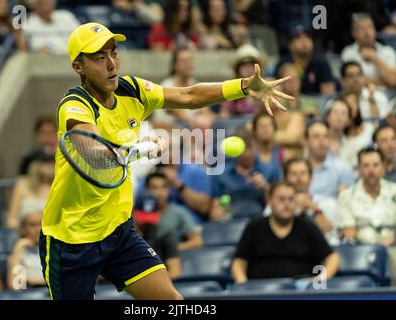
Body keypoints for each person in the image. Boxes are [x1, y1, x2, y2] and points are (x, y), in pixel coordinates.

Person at [39, 22, 294, 300]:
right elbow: (93, 148)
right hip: (71, 241)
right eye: (100, 58)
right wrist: (139, 149)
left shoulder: (132, 90)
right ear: (78, 67)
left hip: (118, 231)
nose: (112, 64)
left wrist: (243, 86)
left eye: (114, 53)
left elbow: (189, 95)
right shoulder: (75, 104)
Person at [231, 182, 339, 283]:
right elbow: (239, 262)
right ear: (269, 200)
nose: (287, 204)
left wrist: (319, 280)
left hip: (301, 292)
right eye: (281, 199)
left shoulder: (307, 227)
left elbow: (332, 258)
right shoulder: (254, 227)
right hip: (261, 291)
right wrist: (243, 285)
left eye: (291, 199)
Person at [210, 130, 275, 221]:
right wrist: (217, 213)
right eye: (242, 148)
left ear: (257, 147)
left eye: (250, 147)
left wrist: (265, 188)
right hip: (230, 222)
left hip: (260, 221)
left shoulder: (270, 170)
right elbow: (214, 209)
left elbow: (279, 203)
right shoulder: (220, 174)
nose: (246, 153)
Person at [338, 147, 396, 246]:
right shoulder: (346, 196)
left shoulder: (394, 191)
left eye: (375, 165)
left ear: (383, 167)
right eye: (366, 165)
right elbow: (348, 232)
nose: (371, 170)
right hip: (360, 251)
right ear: (359, 169)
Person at [145, 172, 203, 250]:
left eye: (164, 187)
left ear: (168, 190)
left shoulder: (179, 213)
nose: (160, 192)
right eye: (154, 188)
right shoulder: (139, 215)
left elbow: (197, 241)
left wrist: (170, 250)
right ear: (146, 190)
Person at [275, 25, 336, 96]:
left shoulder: (321, 63)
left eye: (307, 37)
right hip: (290, 104)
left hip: (316, 104)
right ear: (290, 45)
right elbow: (276, 91)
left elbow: (328, 95)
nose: (304, 41)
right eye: (298, 38)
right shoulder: (283, 63)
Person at [132, 192, 181, 279]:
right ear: (133, 213)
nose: (146, 224)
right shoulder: (124, 235)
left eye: (149, 220)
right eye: (143, 218)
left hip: (157, 282)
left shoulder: (165, 233)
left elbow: (175, 271)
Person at [341, 13, 396, 89]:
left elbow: (393, 81)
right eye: (361, 29)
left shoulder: (388, 51)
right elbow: (350, 83)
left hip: (387, 96)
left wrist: (375, 59)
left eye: (370, 27)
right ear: (354, 33)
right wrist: (383, 81)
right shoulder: (348, 53)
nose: (367, 33)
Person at [305, 121, 356, 199]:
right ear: (306, 141)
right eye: (316, 136)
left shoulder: (343, 168)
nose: (321, 141)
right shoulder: (298, 169)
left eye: (325, 136)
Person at [7, 153, 54, 229]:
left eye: (54, 161)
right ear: (36, 165)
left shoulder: (58, 187)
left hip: (49, 232)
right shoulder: (22, 184)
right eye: (46, 161)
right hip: (24, 232)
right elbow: (12, 220)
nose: (51, 165)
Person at [219, 44, 265, 118]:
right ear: (237, 70)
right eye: (244, 65)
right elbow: (224, 117)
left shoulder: (265, 87)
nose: (248, 69)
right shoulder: (231, 90)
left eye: (252, 65)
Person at [8, 211, 45, 289]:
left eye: (41, 224)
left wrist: (28, 279)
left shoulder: (54, 248)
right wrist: (18, 249)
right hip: (28, 293)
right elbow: (15, 284)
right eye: (32, 225)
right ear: (23, 229)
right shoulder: (20, 250)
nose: (38, 229)